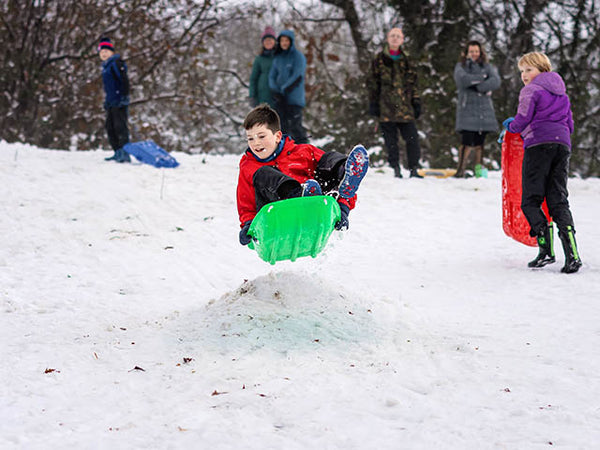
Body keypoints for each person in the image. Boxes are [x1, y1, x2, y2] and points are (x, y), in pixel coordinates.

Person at [237, 105, 368, 245]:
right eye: (250, 138)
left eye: (261, 136)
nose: (255, 143)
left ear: (277, 136)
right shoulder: (248, 166)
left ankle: (344, 171)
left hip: (317, 207)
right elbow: (246, 203)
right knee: (263, 173)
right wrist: (248, 225)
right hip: (279, 216)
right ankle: (299, 194)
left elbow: (344, 187)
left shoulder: (303, 152)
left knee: (327, 160)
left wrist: (343, 209)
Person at [502, 52, 582, 273]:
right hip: (562, 146)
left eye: (529, 70)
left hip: (538, 145)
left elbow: (523, 118)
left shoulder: (531, 90)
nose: (524, 76)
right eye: (522, 72)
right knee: (558, 199)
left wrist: (510, 126)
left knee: (530, 200)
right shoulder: (562, 95)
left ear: (542, 70)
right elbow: (570, 125)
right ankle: (573, 255)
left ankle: (546, 250)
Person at [367, 26, 422, 178]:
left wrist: (416, 101)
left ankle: (413, 169)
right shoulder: (378, 60)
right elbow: (372, 83)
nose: (395, 38)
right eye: (392, 35)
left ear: (402, 39)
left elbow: (414, 83)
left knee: (412, 139)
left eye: (398, 36)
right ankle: (395, 169)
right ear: (387, 38)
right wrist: (373, 103)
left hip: (405, 108)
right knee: (391, 142)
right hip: (386, 108)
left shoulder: (408, 60)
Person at [453, 40, 501, 177]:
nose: (474, 54)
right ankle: (460, 170)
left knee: (480, 142)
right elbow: (463, 80)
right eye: (471, 51)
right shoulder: (460, 66)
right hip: (467, 107)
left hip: (484, 110)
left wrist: (478, 86)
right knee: (466, 140)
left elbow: (495, 81)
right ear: (466, 53)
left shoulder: (487, 66)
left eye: (476, 51)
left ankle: (478, 171)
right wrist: (483, 78)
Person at [268, 29, 308, 144]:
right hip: (280, 99)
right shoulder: (278, 58)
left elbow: (297, 75)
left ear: (291, 41)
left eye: (286, 40)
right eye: (282, 41)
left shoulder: (298, 56)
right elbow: (272, 76)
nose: (284, 43)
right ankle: (285, 153)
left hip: (294, 98)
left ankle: (305, 151)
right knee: (281, 128)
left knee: (296, 126)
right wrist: (275, 90)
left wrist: (284, 89)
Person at [98, 37, 130, 163]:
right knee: (110, 127)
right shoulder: (106, 66)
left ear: (111, 52)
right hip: (111, 101)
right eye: (101, 52)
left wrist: (124, 97)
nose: (104, 54)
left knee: (120, 126)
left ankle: (124, 153)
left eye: (106, 51)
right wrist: (107, 100)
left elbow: (124, 81)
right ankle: (117, 151)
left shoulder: (117, 63)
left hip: (119, 100)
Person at [249, 26, 277, 108]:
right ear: (263, 42)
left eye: (270, 39)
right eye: (266, 40)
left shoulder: (280, 57)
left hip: (278, 97)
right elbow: (253, 79)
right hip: (262, 96)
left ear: (274, 41)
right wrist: (252, 96)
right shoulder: (259, 59)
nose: (268, 42)